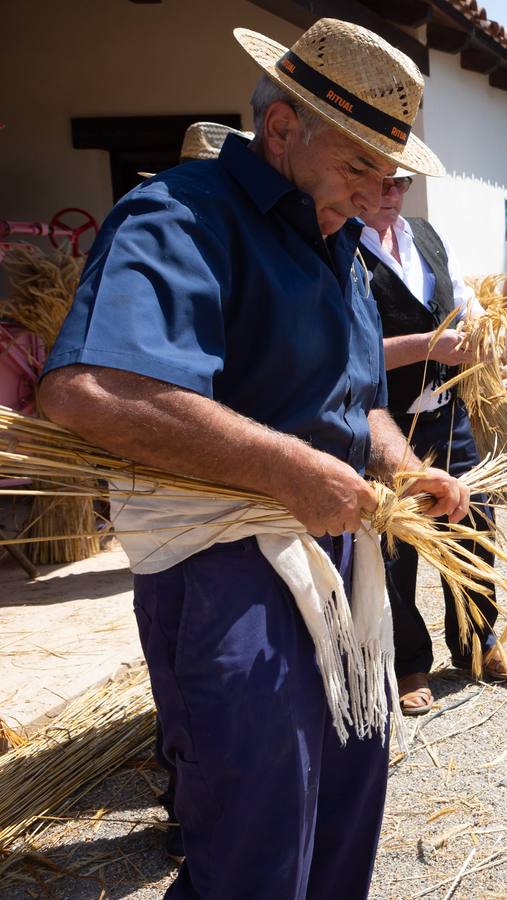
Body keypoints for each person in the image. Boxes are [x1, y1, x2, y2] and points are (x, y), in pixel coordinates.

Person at [38, 19, 468, 896]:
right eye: (360, 169)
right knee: (256, 835)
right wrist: (289, 472)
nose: (372, 196)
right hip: (227, 562)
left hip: (338, 551)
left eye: (387, 178)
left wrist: (397, 468)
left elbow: (354, 401)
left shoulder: (336, 235)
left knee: (349, 792)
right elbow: (89, 388)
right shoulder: (183, 215)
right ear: (282, 130)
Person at [360, 169, 507, 717]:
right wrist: (427, 346)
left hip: (445, 418)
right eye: (379, 181)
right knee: (395, 548)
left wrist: (478, 333)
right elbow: (343, 357)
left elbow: (453, 304)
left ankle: (478, 645)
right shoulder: (336, 249)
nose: (391, 193)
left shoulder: (423, 234)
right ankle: (408, 661)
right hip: (383, 427)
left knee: (475, 530)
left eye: (400, 182)